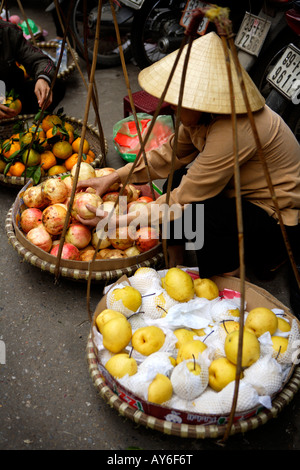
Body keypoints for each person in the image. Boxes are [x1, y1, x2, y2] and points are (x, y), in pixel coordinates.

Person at [75, 32, 300, 311]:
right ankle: (175, 266)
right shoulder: (199, 117)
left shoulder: (234, 128)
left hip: (272, 211)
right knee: (175, 180)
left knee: (202, 212)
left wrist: (122, 218)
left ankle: (223, 287)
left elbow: (187, 198)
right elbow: (168, 156)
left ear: (202, 101)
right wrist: (114, 177)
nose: (171, 108)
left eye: (180, 102)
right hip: (234, 187)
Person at [0, 18, 65, 120]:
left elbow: (40, 60)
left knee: (55, 86)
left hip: (11, 95)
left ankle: (29, 123)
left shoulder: (7, 31)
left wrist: (42, 79)